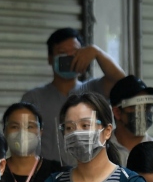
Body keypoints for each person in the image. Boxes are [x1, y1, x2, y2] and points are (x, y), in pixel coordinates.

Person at [21, 28, 127, 164]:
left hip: (90, 176)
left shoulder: (94, 90)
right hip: (48, 179)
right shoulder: (33, 98)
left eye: (75, 53)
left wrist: (97, 53)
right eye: (62, 53)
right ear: (50, 58)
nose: (70, 58)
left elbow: (122, 83)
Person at [0, 102, 64, 182]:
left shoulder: (57, 172)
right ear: (4, 131)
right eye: (15, 127)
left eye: (30, 126)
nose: (22, 133)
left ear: (40, 132)